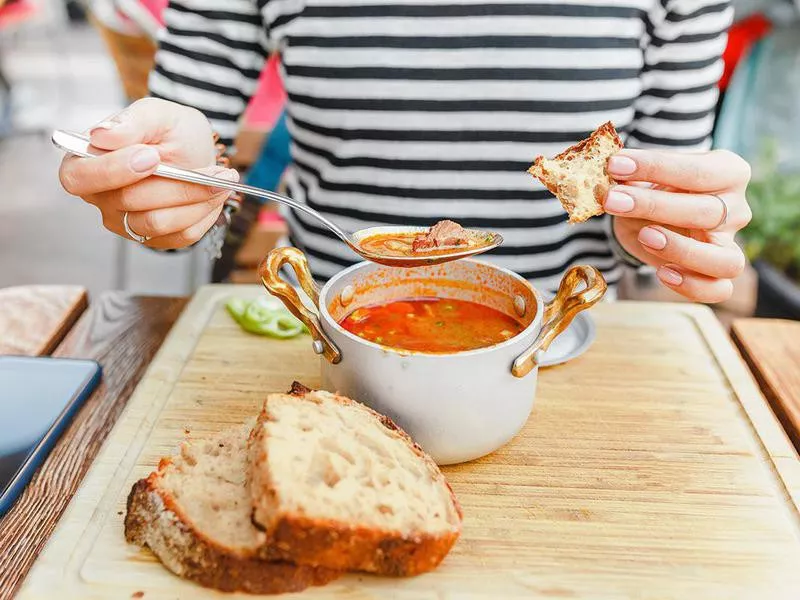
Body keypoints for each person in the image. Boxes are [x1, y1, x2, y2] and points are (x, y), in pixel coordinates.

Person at [59, 0, 752, 303]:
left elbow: (658, 201)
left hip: (564, 345)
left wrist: (672, 229)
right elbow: (190, 137)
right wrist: (171, 197)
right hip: (329, 340)